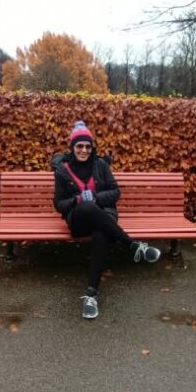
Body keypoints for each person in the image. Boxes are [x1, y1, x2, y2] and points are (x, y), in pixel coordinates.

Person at [52, 120, 162, 319]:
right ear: (72, 147)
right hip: (78, 220)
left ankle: (91, 295)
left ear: (92, 147)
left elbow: (115, 192)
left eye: (87, 146)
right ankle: (132, 245)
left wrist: (96, 197)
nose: (84, 150)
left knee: (101, 234)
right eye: (79, 146)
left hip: (105, 219)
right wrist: (78, 199)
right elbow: (59, 204)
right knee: (86, 206)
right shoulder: (62, 170)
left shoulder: (101, 165)